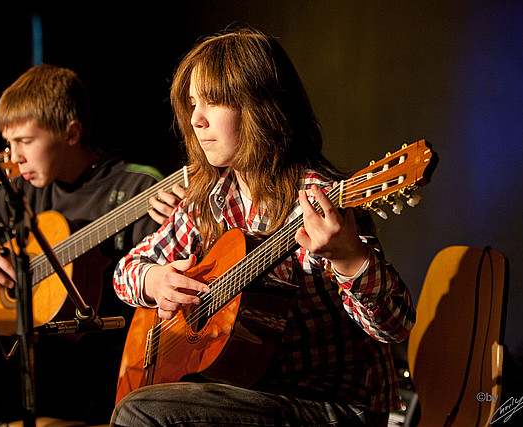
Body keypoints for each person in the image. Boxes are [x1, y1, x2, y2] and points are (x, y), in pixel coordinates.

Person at [112, 27, 416, 426]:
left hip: (331, 404)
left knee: (140, 412)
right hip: (248, 390)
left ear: (261, 107)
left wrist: (350, 259)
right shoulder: (209, 198)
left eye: (214, 102)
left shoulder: (316, 198)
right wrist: (155, 280)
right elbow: (126, 272)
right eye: (191, 103)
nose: (196, 119)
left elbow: (395, 327)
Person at [0, 64, 178, 426]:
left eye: (25, 141)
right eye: (8, 143)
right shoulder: (23, 191)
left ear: (71, 133)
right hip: (27, 352)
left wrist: (179, 214)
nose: (13, 157)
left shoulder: (134, 189)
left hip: (92, 360)